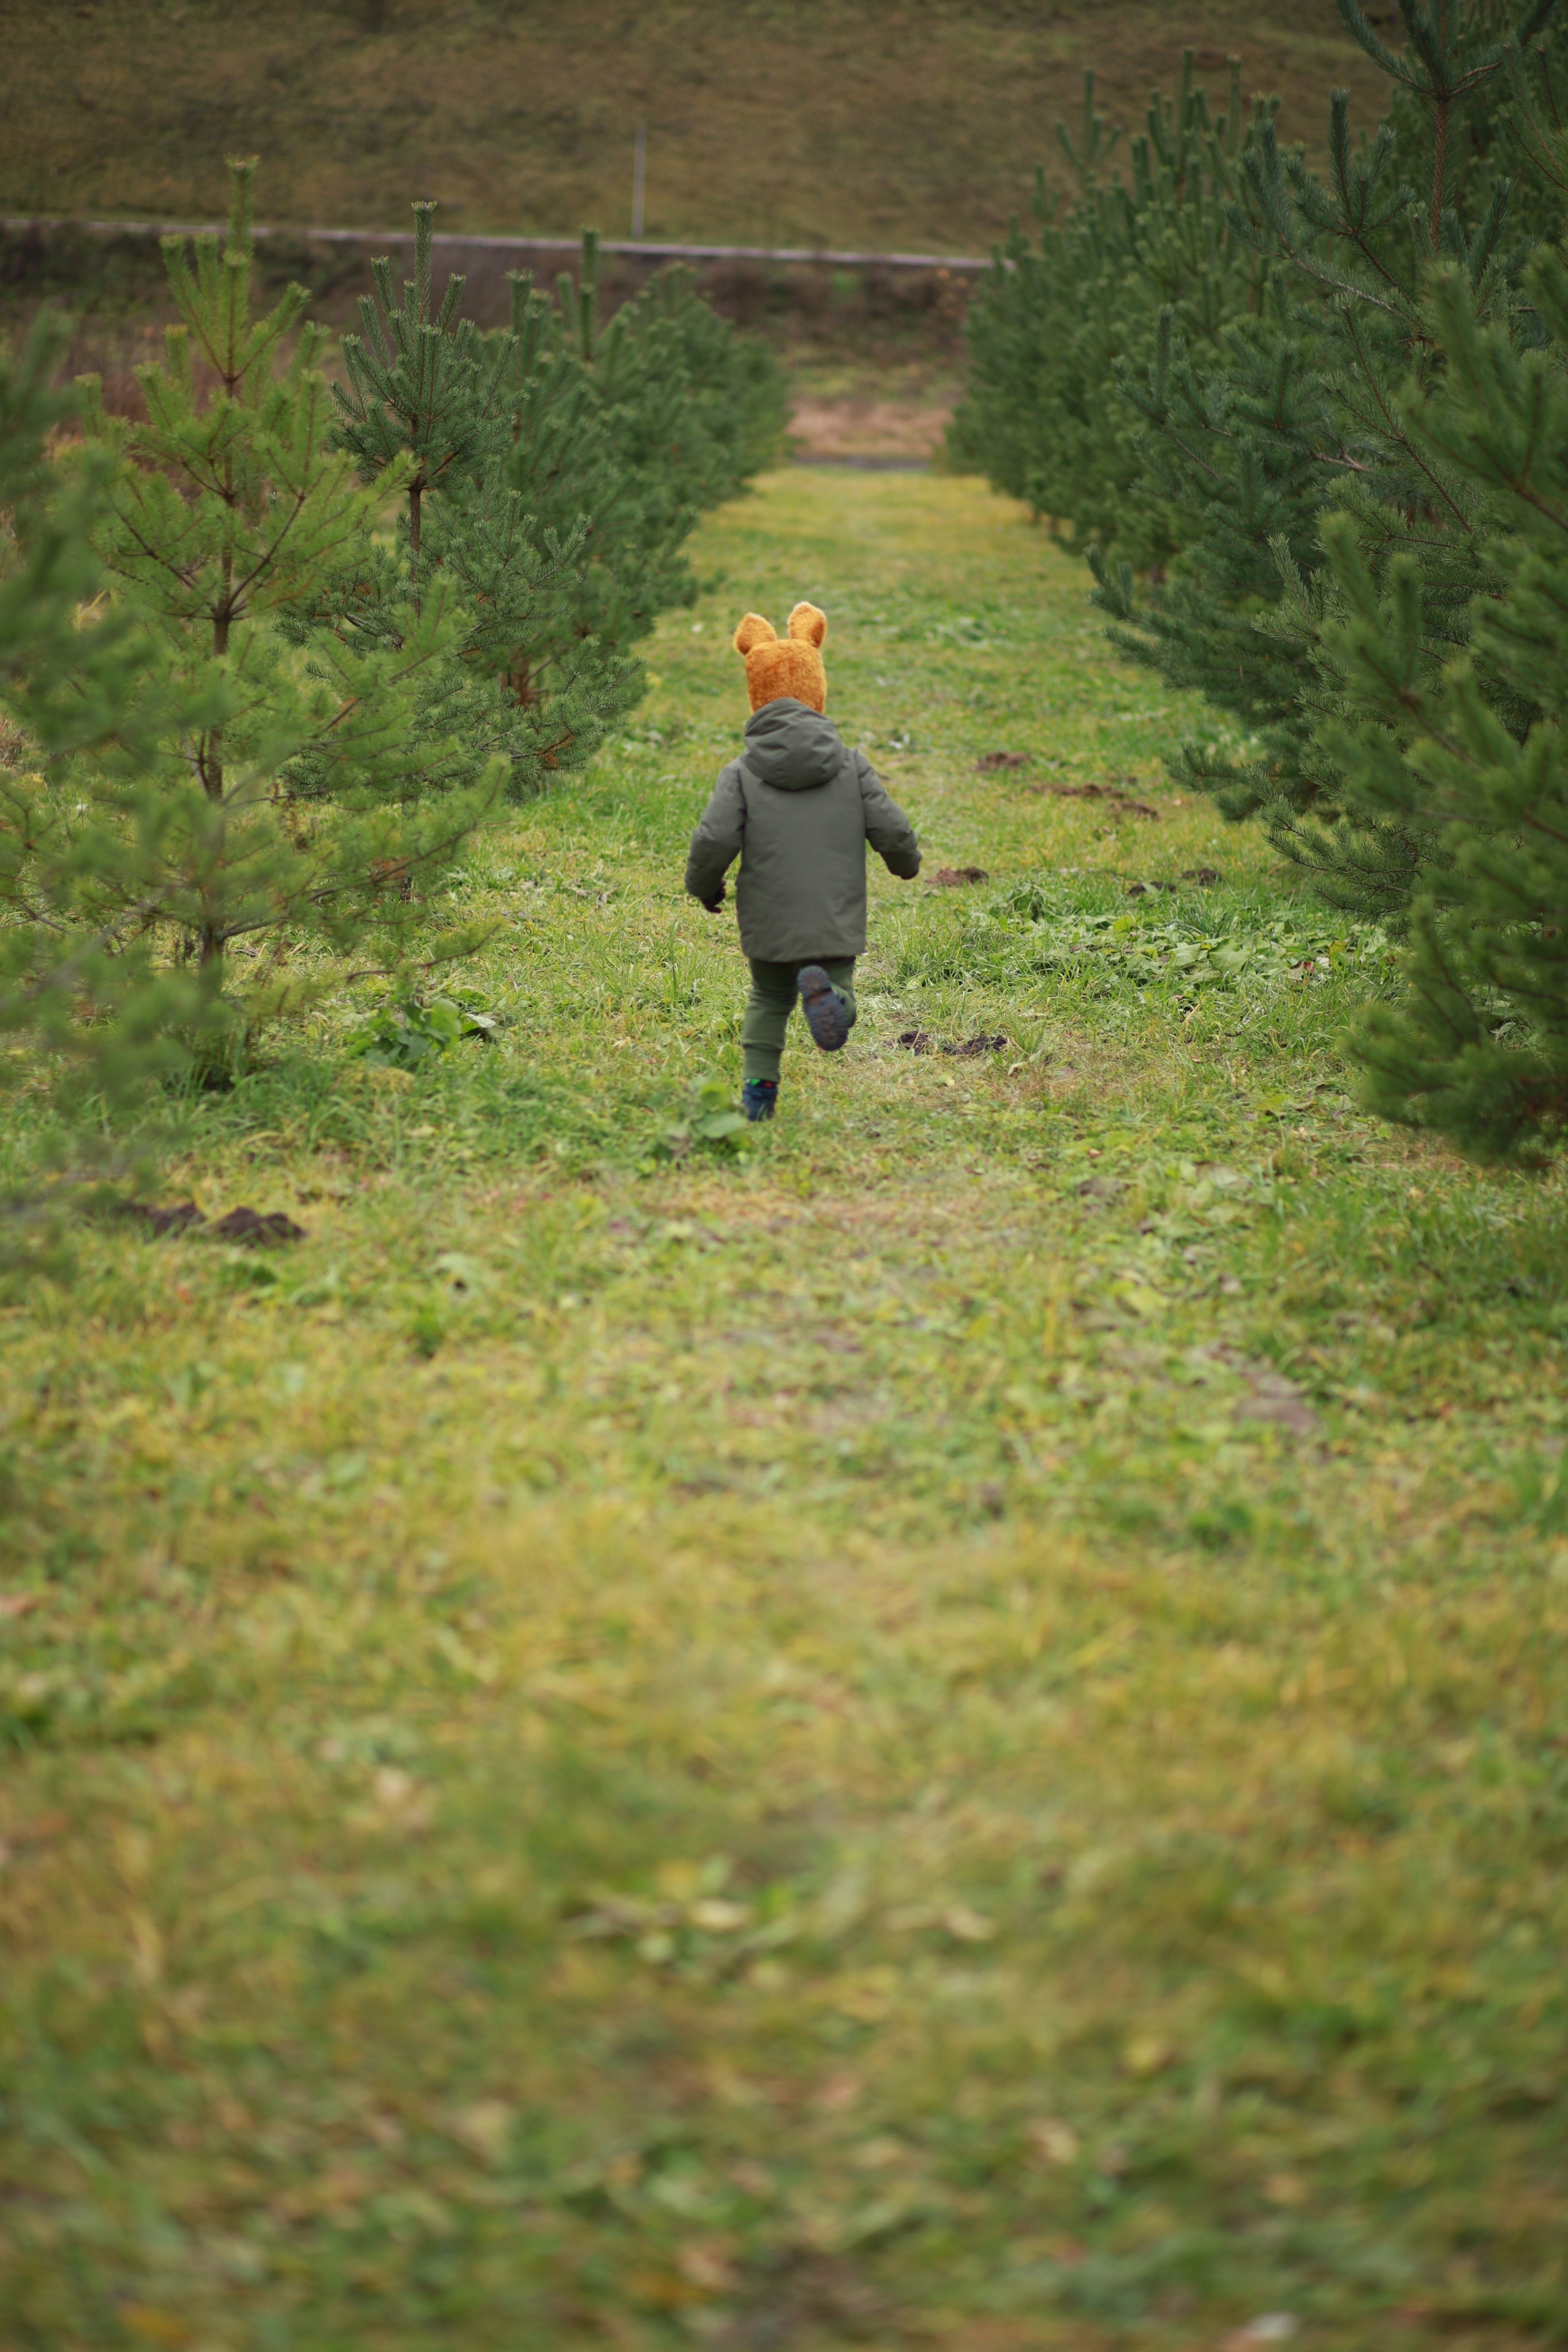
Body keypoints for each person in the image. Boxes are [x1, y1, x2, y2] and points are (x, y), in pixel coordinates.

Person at [684, 601, 922, 1121]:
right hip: (833, 915)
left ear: (756, 695)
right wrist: (906, 863)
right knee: (839, 988)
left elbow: (713, 838)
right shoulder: (851, 765)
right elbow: (892, 827)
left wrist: (705, 887)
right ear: (818, 687)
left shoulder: (742, 772)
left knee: (768, 1000)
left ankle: (758, 1096)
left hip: (770, 918)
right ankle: (832, 1003)